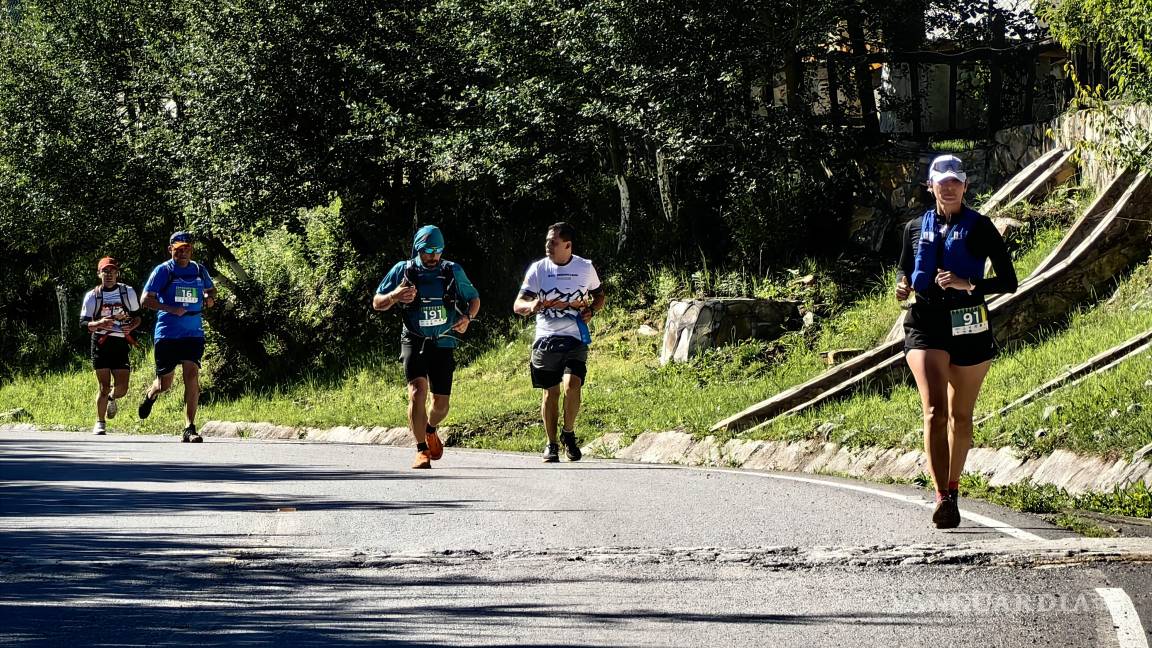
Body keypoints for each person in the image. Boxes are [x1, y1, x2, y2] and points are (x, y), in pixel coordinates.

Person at [896, 154, 1018, 528]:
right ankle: (943, 498)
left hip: (968, 321)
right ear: (930, 186)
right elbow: (905, 267)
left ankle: (954, 485)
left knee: (961, 416)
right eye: (941, 181)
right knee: (935, 410)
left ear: (965, 187)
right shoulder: (915, 227)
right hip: (927, 321)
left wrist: (971, 284)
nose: (948, 187)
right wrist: (903, 286)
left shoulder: (980, 227)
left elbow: (1009, 281)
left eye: (955, 181)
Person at [373, 225, 481, 469]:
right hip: (413, 338)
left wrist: (468, 319)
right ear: (418, 249)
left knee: (441, 405)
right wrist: (395, 296)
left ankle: (430, 429)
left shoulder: (451, 270)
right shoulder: (403, 270)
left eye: (438, 251)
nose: (433, 256)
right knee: (417, 392)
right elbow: (377, 302)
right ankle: (421, 449)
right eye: (428, 251)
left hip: (443, 341)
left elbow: (474, 299)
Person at [513, 222, 605, 463]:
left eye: (553, 242)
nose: (548, 246)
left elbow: (600, 295)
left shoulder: (585, 267)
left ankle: (569, 434)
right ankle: (551, 444)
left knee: (573, 384)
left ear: (567, 245)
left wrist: (592, 311)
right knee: (550, 392)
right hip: (545, 339)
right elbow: (517, 305)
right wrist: (531, 306)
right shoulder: (538, 269)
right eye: (547, 241)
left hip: (575, 337)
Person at [137, 231, 217, 442]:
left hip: (193, 332)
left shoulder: (199, 269)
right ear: (170, 249)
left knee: (191, 375)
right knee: (165, 384)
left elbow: (211, 290)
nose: (182, 253)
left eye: (187, 249)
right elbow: (145, 300)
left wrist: (209, 298)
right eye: (178, 249)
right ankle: (150, 395)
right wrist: (170, 309)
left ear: (192, 250)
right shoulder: (163, 271)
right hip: (167, 333)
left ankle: (189, 428)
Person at [79, 257, 142, 435]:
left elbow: (137, 316)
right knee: (104, 387)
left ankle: (112, 399)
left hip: (121, 342)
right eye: (105, 271)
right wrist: (100, 323)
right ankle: (100, 422)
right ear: (99, 274)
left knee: (122, 388)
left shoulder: (127, 292)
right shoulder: (93, 296)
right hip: (101, 343)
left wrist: (132, 325)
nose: (109, 275)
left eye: (112, 271)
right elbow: (83, 324)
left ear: (117, 274)